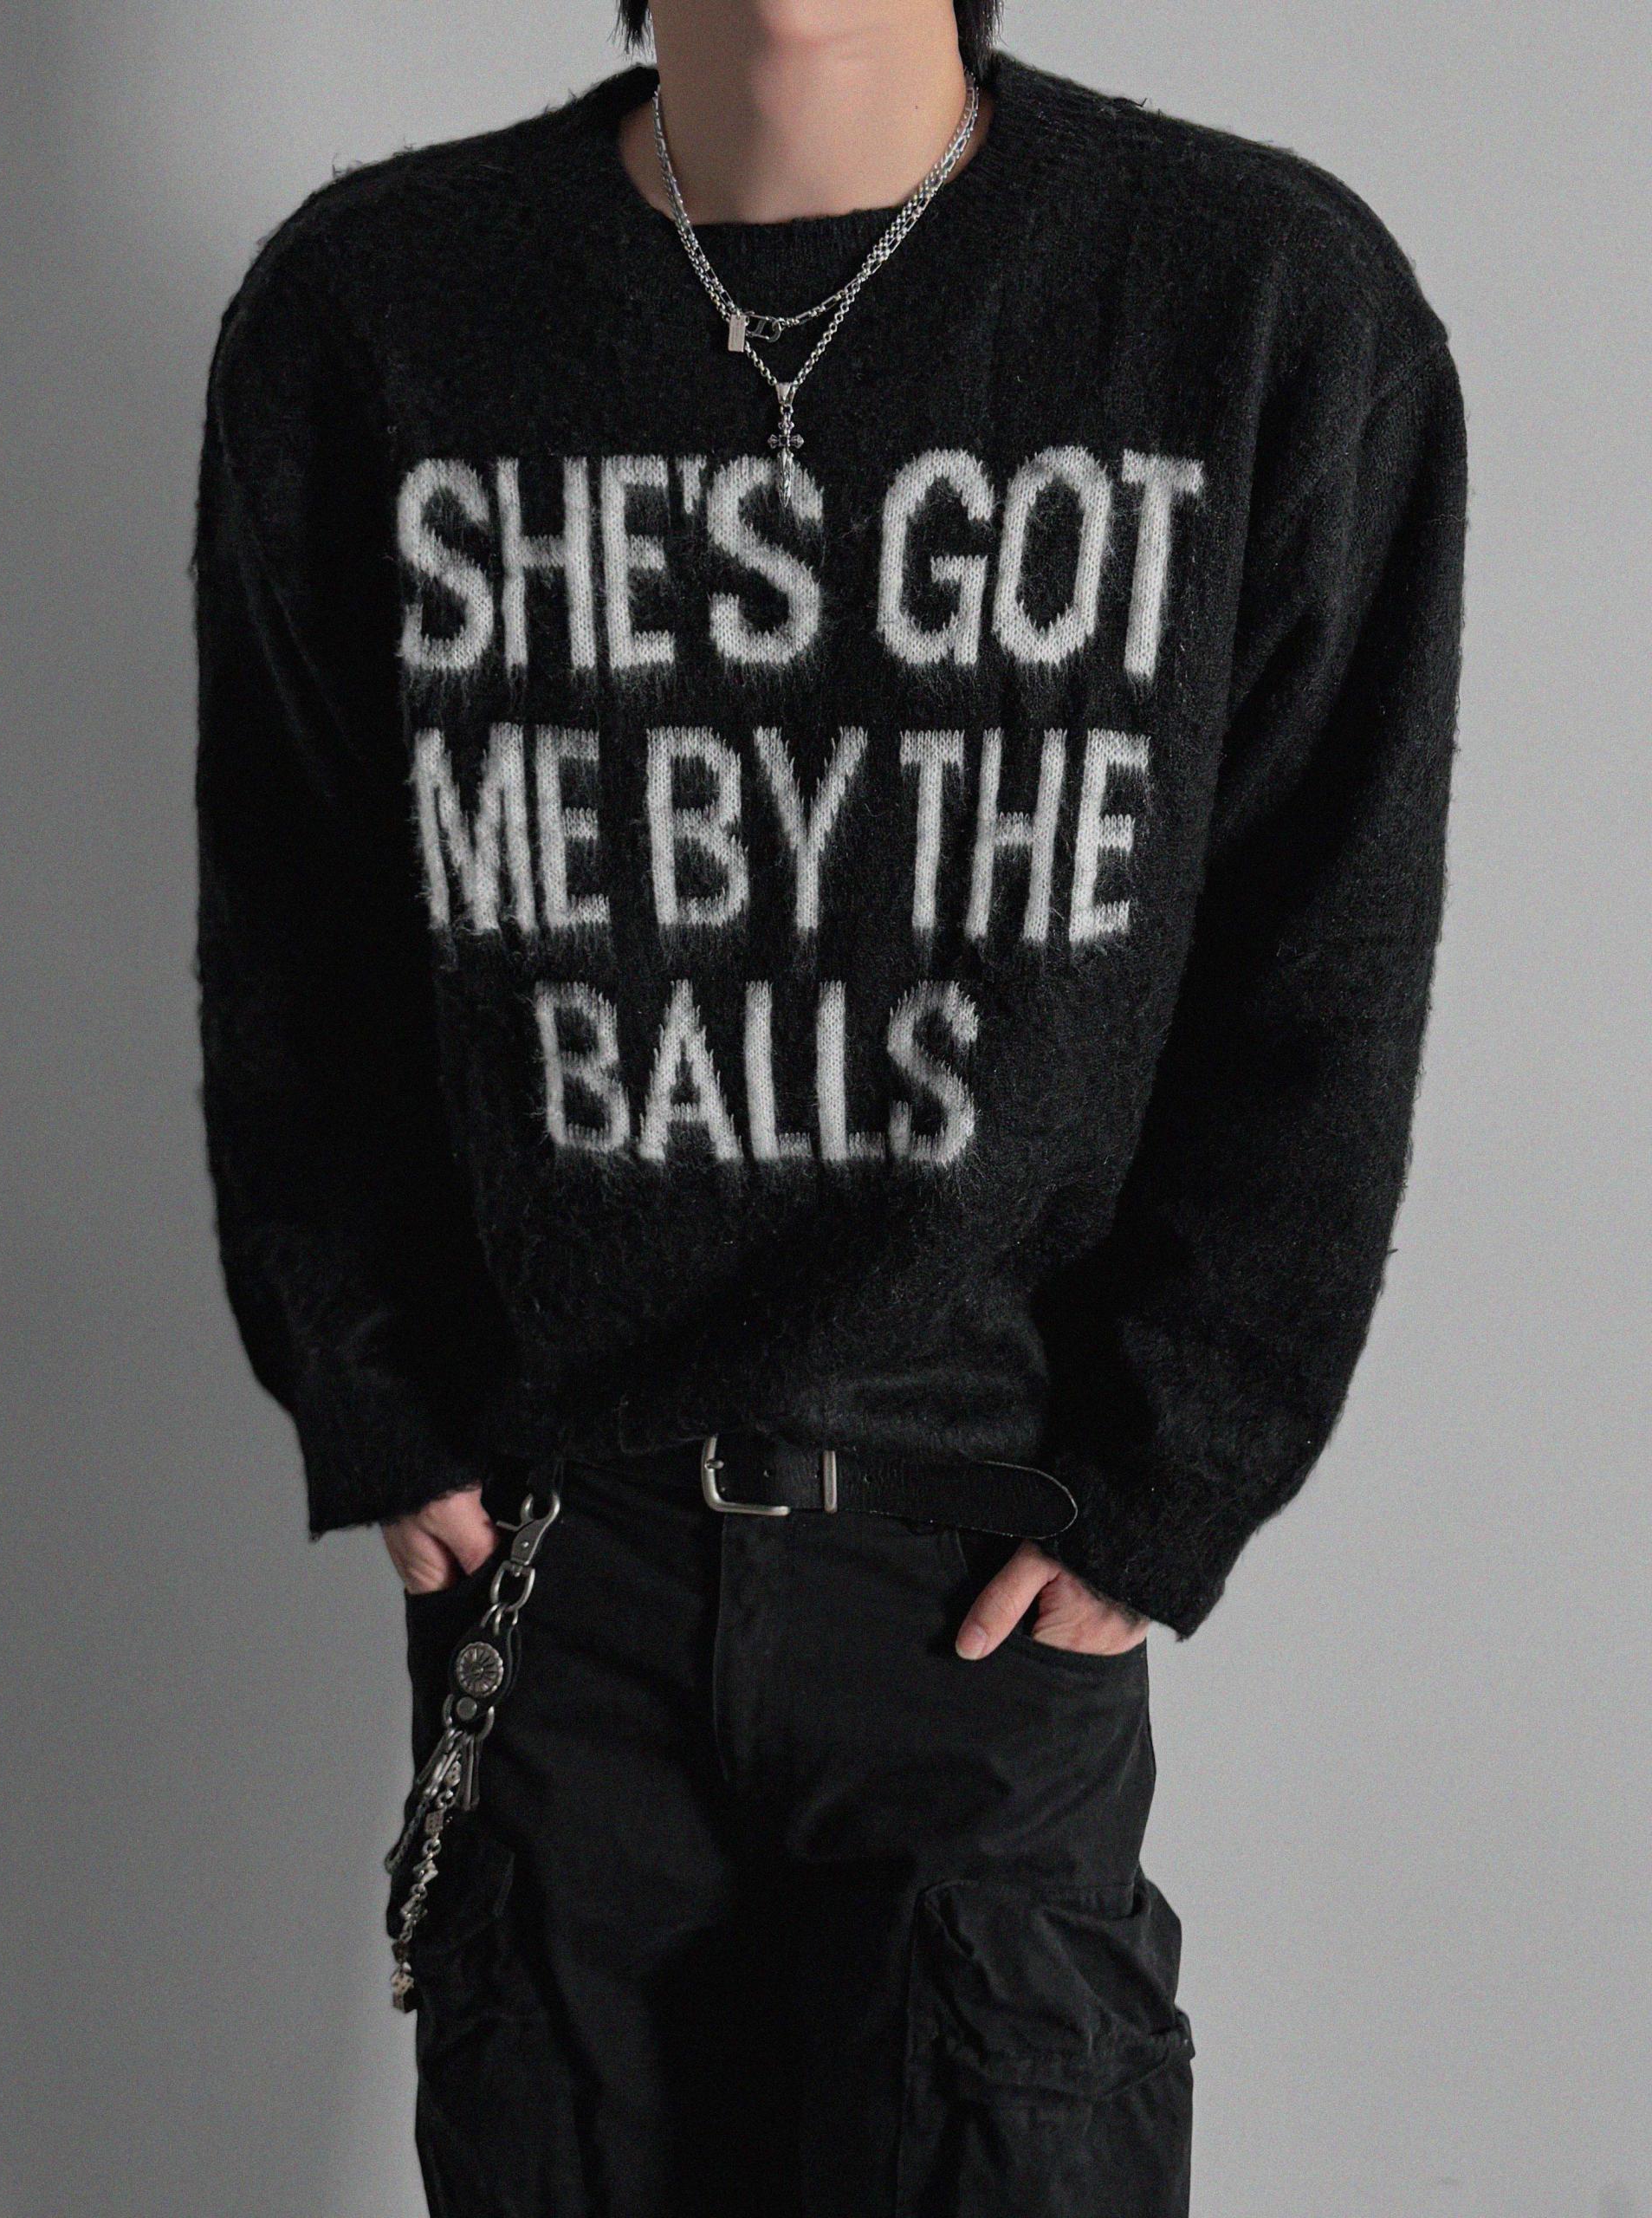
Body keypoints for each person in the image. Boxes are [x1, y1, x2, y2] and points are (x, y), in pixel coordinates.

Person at [191, 0, 1467, 2203]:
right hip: (558, 1559)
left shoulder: (1256, 303)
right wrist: (367, 1375)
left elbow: (1325, 949)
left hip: (978, 1557)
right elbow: (298, 907)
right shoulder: (379, 309)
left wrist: (1176, 1468)